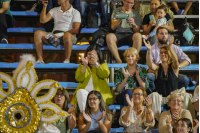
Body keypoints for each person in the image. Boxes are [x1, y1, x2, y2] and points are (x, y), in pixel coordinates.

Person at [145, 27, 191, 93]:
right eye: (161, 33)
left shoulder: (174, 47)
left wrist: (177, 67)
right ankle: (154, 95)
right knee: (148, 77)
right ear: (156, 36)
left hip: (172, 73)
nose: (164, 35)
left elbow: (187, 60)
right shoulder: (151, 49)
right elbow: (149, 68)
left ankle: (177, 97)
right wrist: (161, 71)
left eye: (166, 33)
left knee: (185, 79)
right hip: (157, 73)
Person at [70, 44, 113, 112]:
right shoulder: (81, 67)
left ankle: (91, 117)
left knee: (95, 98)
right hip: (86, 97)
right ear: (86, 56)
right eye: (89, 54)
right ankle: (85, 115)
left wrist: (96, 64)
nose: (91, 56)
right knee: (80, 92)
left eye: (94, 54)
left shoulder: (103, 65)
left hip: (99, 95)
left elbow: (105, 74)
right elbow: (78, 78)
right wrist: (84, 65)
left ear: (98, 56)